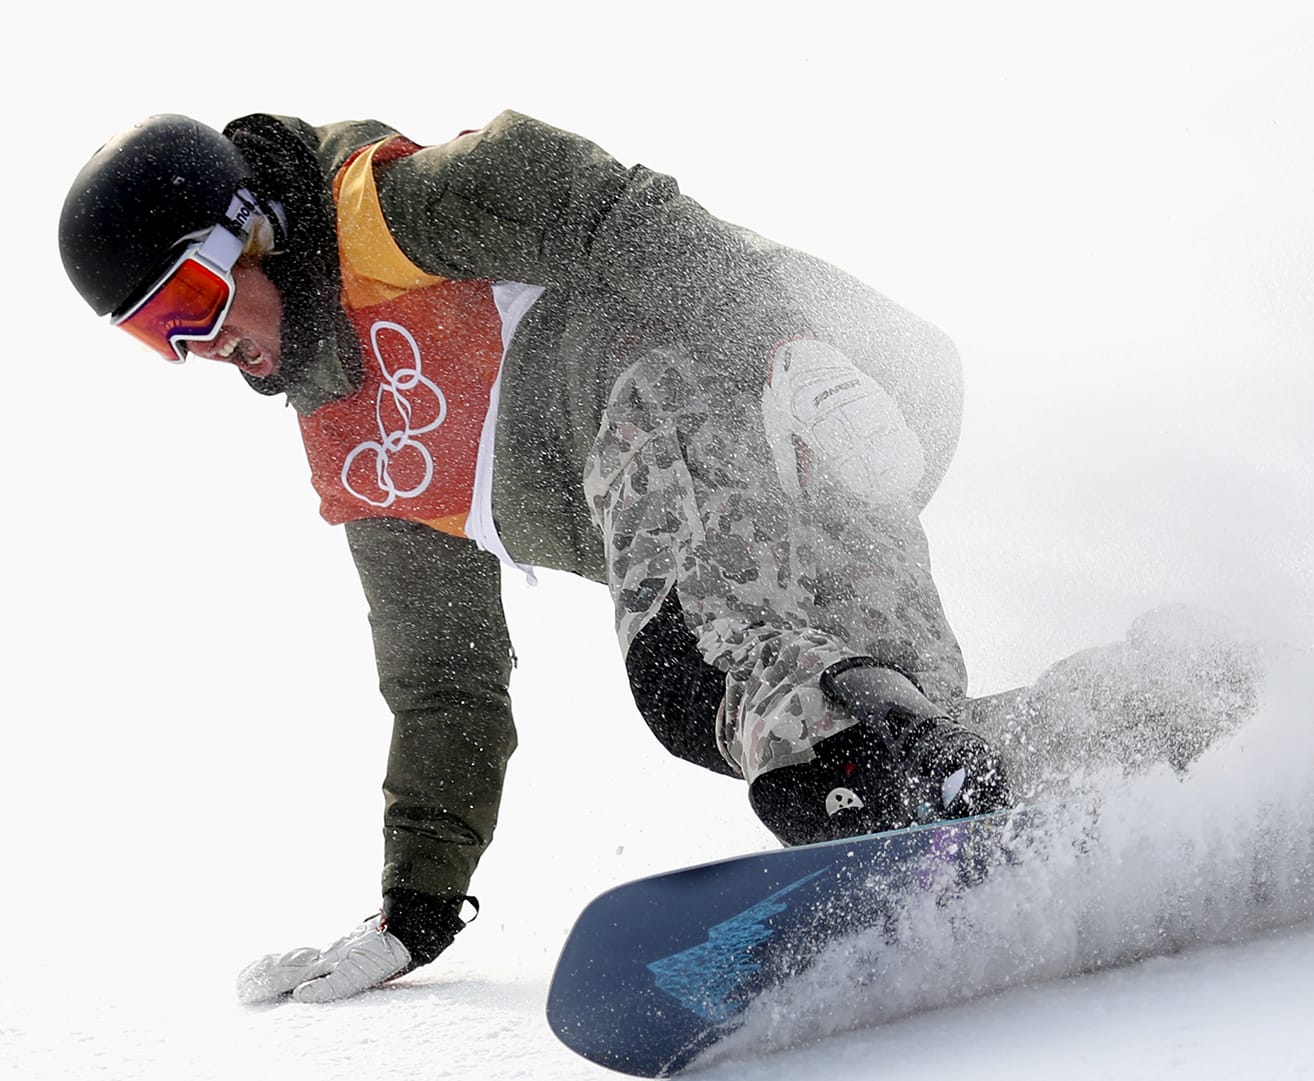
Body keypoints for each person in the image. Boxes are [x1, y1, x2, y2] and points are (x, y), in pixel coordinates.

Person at [58, 111, 1016, 1004]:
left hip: (770, 375)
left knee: (700, 667)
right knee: (896, 705)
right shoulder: (357, 453)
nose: (200, 345)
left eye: (192, 299)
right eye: (157, 336)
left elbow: (600, 201)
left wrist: (787, 345)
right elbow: (446, 681)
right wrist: (416, 906)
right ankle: (1049, 771)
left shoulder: (391, 216)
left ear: (252, 227)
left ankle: (902, 801)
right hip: (796, 453)